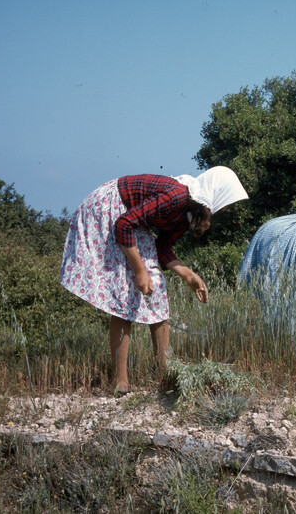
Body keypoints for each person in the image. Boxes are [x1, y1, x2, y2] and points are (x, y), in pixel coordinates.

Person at [60, 166, 248, 394]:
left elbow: (162, 248)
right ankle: (119, 381)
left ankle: (165, 371)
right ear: (217, 192)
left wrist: (189, 275)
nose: (226, 208)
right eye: (227, 201)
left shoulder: (187, 214)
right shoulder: (177, 196)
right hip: (108, 206)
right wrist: (140, 271)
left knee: (156, 287)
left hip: (128, 218)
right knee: (125, 292)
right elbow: (123, 224)